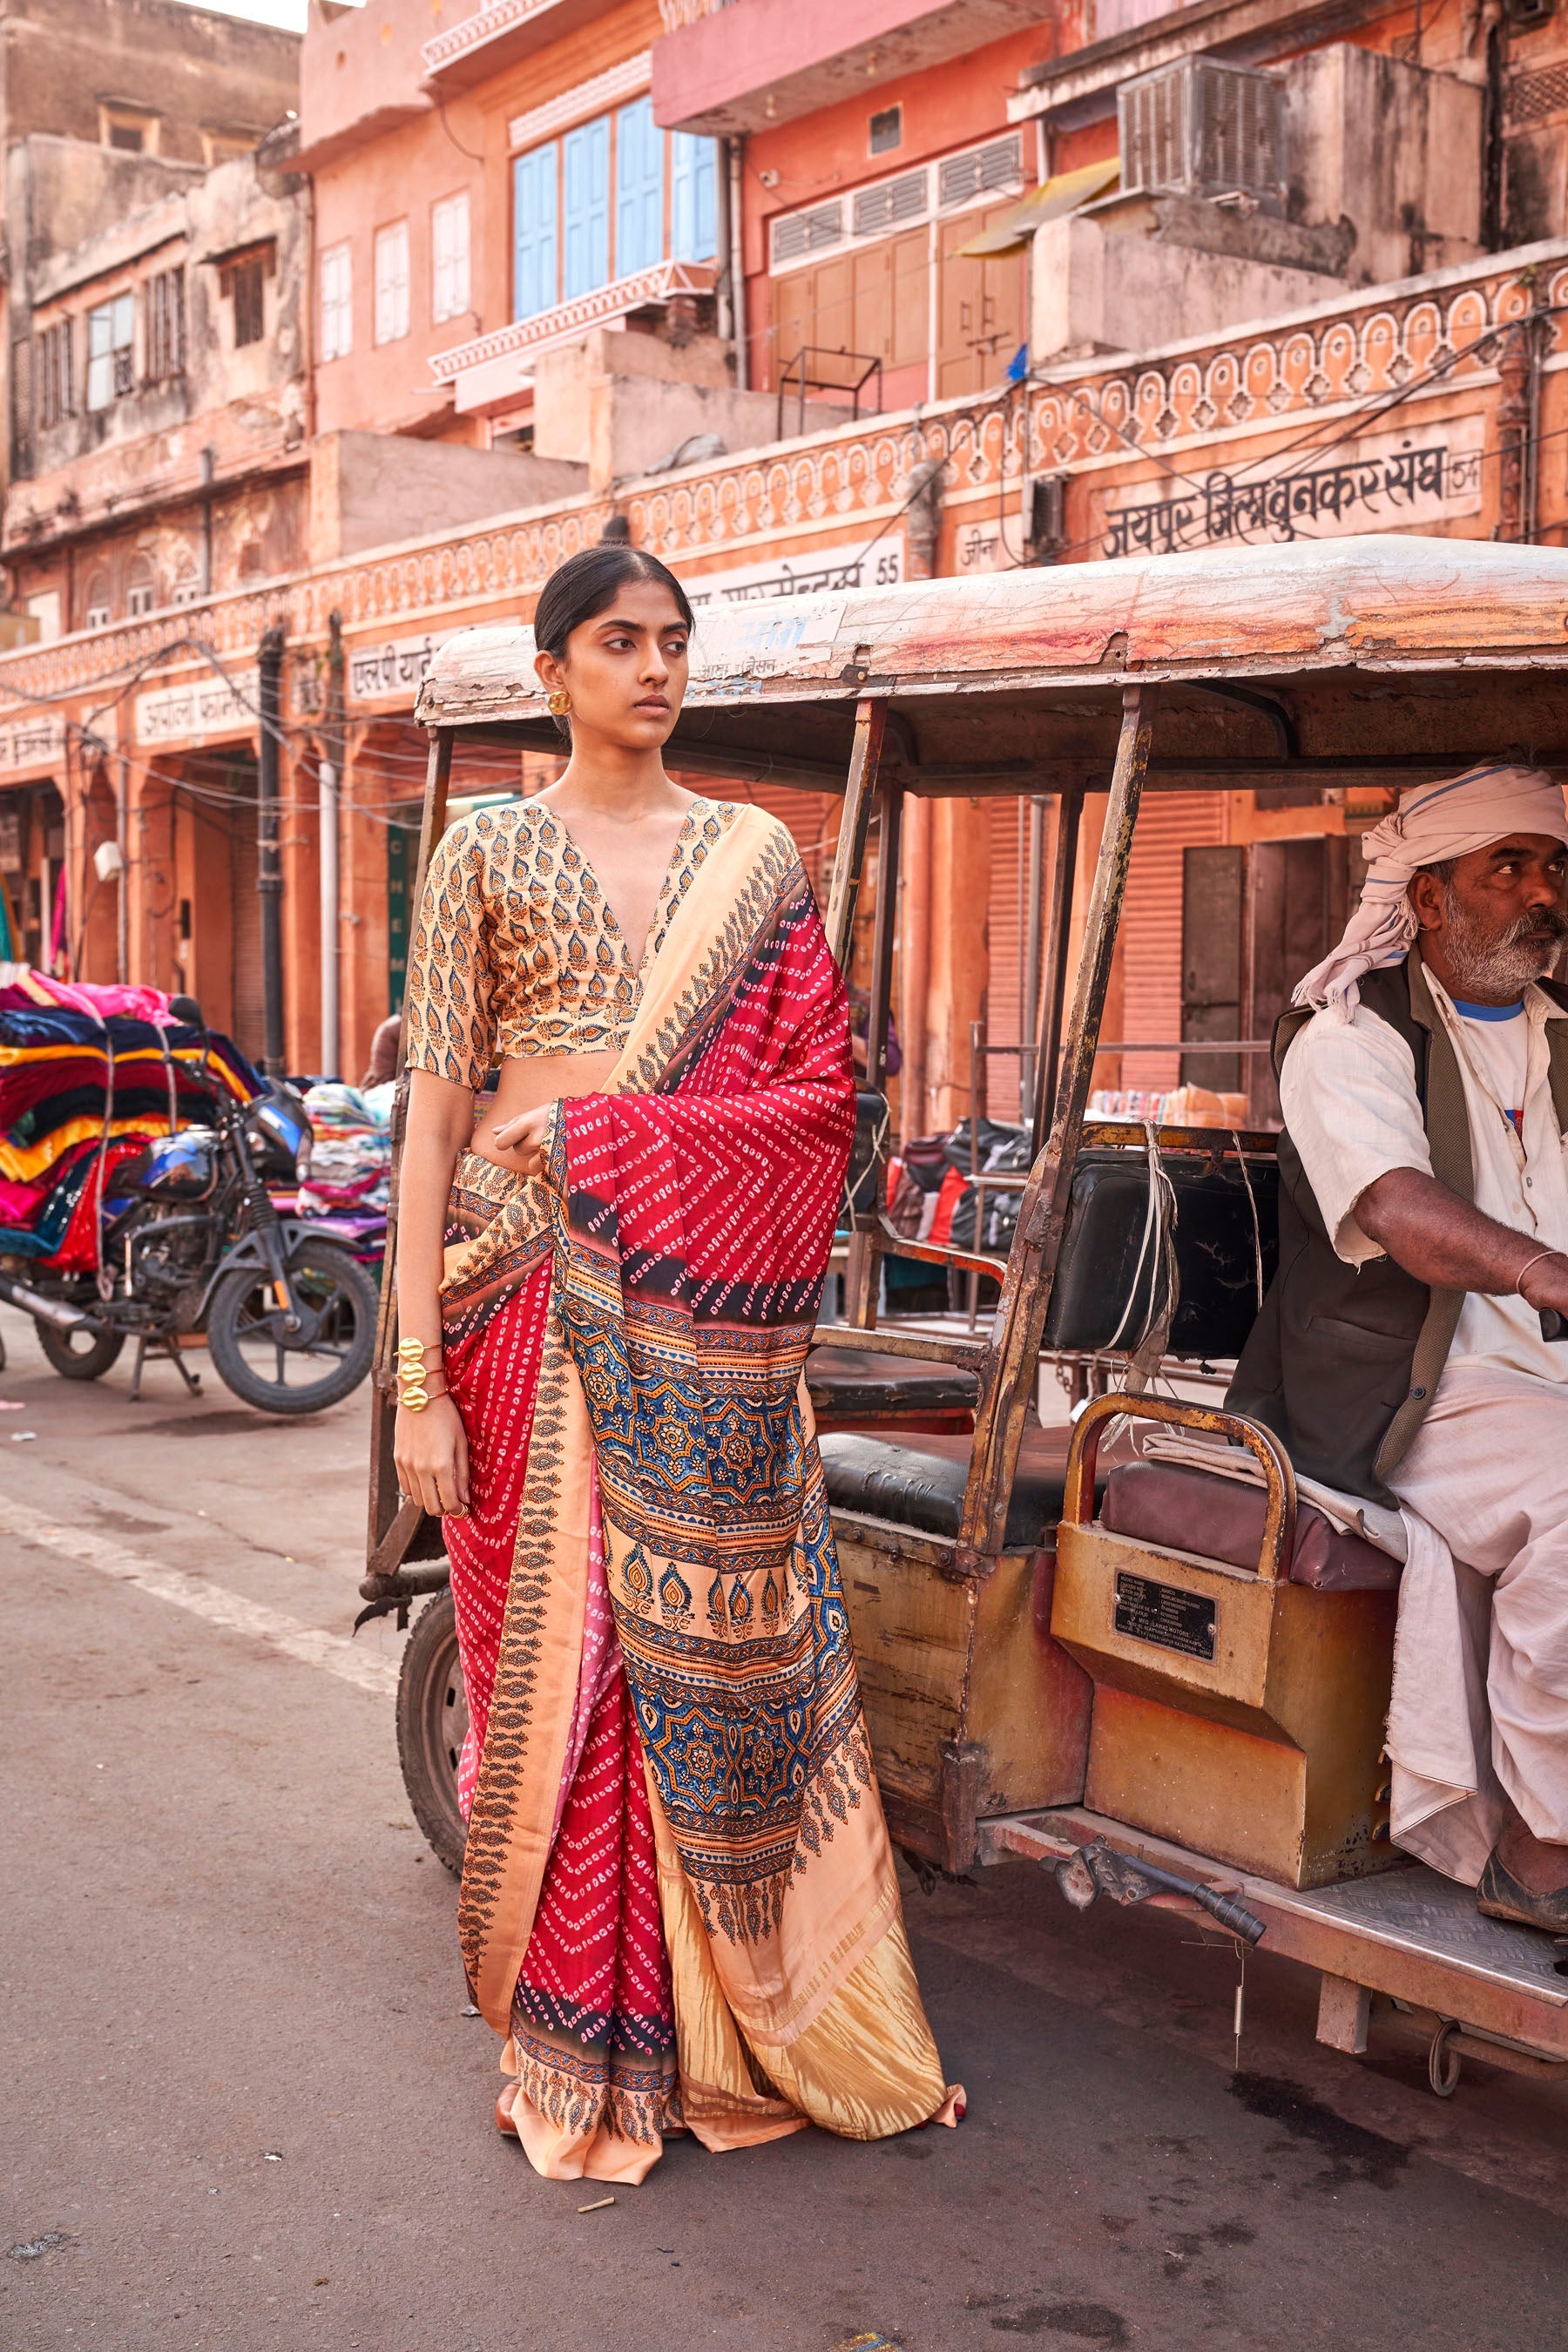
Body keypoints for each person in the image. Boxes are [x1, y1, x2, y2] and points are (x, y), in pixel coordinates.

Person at [394, 544, 962, 2184]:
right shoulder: (483, 851)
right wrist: (416, 1380)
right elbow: (435, 1121)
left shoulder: (754, 856)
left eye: (674, 641)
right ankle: (583, 2042)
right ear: (553, 670)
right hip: (514, 1292)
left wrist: (609, 1138)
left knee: (702, 1665)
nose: (655, 668)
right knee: (563, 1675)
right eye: (619, 641)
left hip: (694, 1319)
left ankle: (735, 2025)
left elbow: (820, 1104)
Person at [1230, 762, 1568, 1932]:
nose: (1542, 893)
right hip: (1410, 1385)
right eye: (1508, 868)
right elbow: (1396, 1207)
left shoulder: (1561, 1034)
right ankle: (1540, 1848)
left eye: (1553, 866)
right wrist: (1541, 1270)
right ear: (1428, 898)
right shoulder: (1348, 1035)